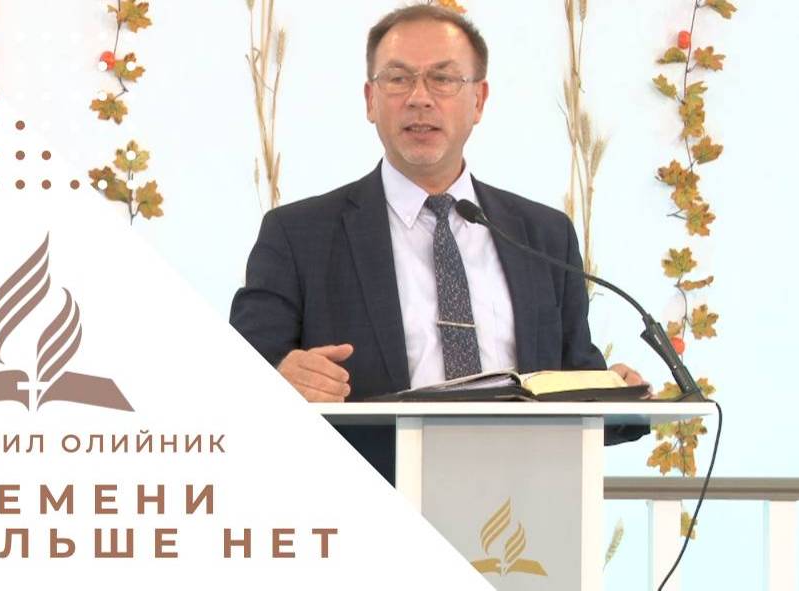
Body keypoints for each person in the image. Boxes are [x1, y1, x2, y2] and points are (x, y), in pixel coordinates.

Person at [230, 5, 648, 482]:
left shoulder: (543, 234)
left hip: (521, 504)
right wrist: (281, 377)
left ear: (479, 100)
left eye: (443, 79)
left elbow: (572, 379)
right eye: (398, 79)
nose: (419, 98)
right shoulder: (298, 234)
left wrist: (615, 394)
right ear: (370, 100)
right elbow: (233, 377)